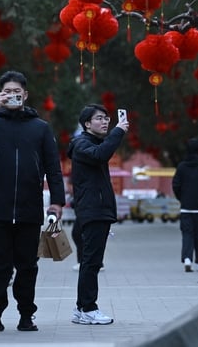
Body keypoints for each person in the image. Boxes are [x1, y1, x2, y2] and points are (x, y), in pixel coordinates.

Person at [0, 70, 66, 332]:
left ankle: (26, 315)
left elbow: (53, 169)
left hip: (29, 210)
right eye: (6, 92)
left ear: (25, 94)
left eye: (16, 92)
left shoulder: (40, 128)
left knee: (27, 267)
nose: (12, 95)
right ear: (0, 94)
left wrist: (57, 202)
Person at [67, 103, 129, 325]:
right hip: (92, 211)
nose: (105, 122)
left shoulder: (91, 143)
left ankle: (80, 308)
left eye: (107, 118)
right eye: (99, 118)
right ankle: (88, 308)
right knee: (92, 262)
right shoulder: (82, 144)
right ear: (87, 124)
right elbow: (101, 155)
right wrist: (118, 131)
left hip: (97, 210)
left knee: (91, 261)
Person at [172, 138, 198, 273]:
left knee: (187, 234)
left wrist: (182, 198)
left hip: (186, 207)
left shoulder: (181, 166)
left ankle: (187, 259)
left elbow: (176, 185)